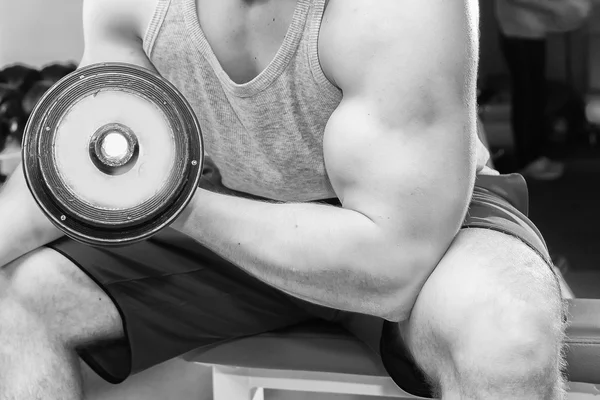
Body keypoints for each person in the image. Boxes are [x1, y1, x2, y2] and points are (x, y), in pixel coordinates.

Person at [0, 0, 567, 399]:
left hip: (421, 223)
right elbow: (75, 169)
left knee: (505, 338)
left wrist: (169, 199)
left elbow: (392, 266)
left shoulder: (399, 10)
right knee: (15, 301)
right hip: (238, 213)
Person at [495, 0, 591, 180]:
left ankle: (535, 155)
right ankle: (528, 160)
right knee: (527, 96)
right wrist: (559, 7)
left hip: (529, 32)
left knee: (534, 95)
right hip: (517, 32)